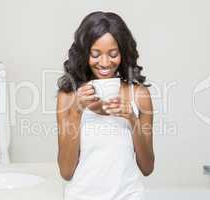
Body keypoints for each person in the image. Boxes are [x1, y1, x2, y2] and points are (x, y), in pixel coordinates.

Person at [56, 11, 154, 200]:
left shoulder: (139, 95)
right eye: (95, 54)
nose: (105, 62)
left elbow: (147, 167)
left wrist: (132, 119)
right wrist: (76, 111)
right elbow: (66, 171)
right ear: (84, 54)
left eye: (113, 54)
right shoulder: (68, 97)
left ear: (123, 53)